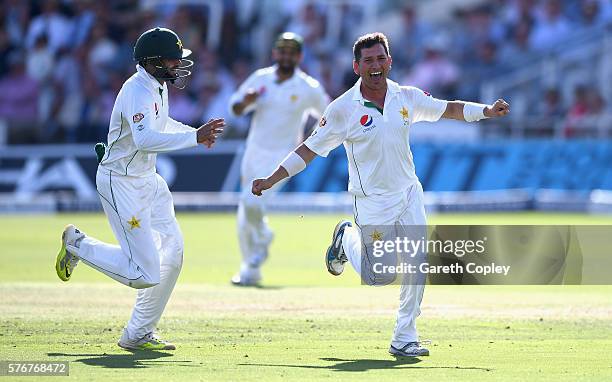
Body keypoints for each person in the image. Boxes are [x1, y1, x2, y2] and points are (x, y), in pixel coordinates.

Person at [251, 32, 509, 357]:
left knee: (418, 262)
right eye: (368, 61)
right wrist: (272, 178)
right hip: (372, 201)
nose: (375, 66)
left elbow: (449, 109)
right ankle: (346, 238)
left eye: (380, 59)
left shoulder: (406, 96)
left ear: (389, 61)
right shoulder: (342, 109)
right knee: (379, 277)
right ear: (357, 67)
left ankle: (404, 337)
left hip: (408, 193)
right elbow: (309, 149)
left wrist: (485, 111)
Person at [54, 27, 225, 351]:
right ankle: (78, 245)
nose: (179, 65)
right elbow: (146, 139)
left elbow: (161, 126)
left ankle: (137, 334)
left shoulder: (158, 86)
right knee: (144, 273)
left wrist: (195, 133)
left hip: (150, 180)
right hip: (121, 182)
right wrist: (195, 137)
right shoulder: (136, 91)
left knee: (172, 254)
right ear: (153, 61)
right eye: (173, 60)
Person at [229, 32, 329, 286]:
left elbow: (328, 115)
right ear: (275, 53)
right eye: (281, 51)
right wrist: (245, 102)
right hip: (254, 151)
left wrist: (311, 140)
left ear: (299, 56)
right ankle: (250, 268)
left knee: (252, 203)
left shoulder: (308, 87)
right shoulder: (261, 78)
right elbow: (235, 108)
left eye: (290, 52)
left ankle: (263, 237)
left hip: (282, 157)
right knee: (245, 208)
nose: (285, 56)